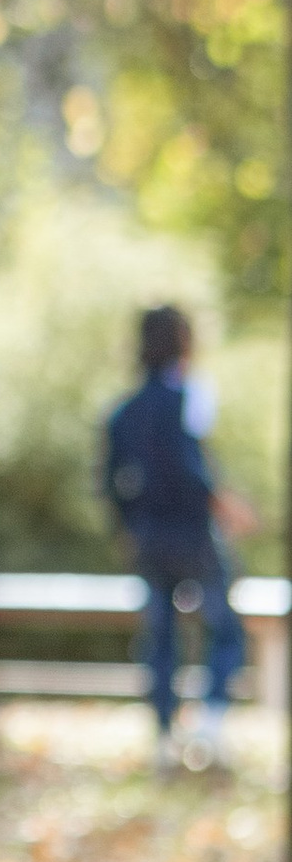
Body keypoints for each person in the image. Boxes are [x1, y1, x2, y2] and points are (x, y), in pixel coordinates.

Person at [104, 304, 246, 768]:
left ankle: (164, 735)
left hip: (150, 540)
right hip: (193, 538)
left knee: (160, 636)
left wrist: (127, 527)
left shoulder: (124, 412)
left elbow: (110, 482)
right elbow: (191, 464)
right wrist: (221, 503)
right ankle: (209, 726)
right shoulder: (187, 397)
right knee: (224, 629)